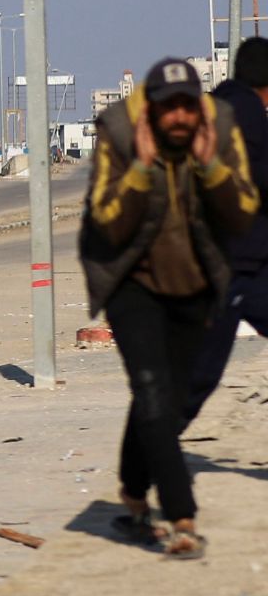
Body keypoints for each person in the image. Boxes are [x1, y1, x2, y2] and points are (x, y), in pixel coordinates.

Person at [82, 57, 258, 560]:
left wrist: (210, 166)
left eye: (188, 108)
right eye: (169, 109)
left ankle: (132, 496)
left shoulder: (221, 128)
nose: (179, 118)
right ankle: (182, 516)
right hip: (131, 284)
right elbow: (108, 223)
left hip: (196, 286)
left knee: (165, 401)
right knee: (154, 393)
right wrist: (140, 167)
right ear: (152, 112)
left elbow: (243, 211)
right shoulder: (117, 132)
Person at [184, 36, 268, 425]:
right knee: (200, 373)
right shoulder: (246, 112)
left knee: (200, 372)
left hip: (236, 258)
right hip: (231, 262)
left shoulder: (219, 106)